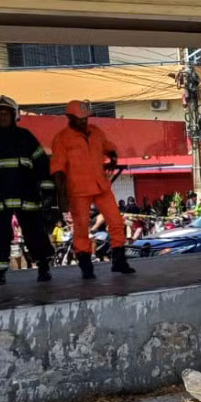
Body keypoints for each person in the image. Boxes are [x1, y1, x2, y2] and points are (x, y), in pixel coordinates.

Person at [0, 95, 56, 285]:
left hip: (27, 197)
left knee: (35, 233)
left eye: (6, 114)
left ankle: (44, 267)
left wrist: (47, 192)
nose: (3, 117)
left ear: (14, 116)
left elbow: (42, 165)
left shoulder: (26, 138)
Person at [50, 100, 135, 279]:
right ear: (70, 117)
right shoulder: (62, 139)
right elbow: (58, 171)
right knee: (81, 229)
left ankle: (119, 260)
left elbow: (108, 147)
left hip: (101, 186)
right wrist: (61, 198)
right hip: (78, 190)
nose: (83, 121)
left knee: (117, 222)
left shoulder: (96, 132)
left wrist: (112, 158)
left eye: (85, 118)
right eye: (79, 118)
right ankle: (86, 266)